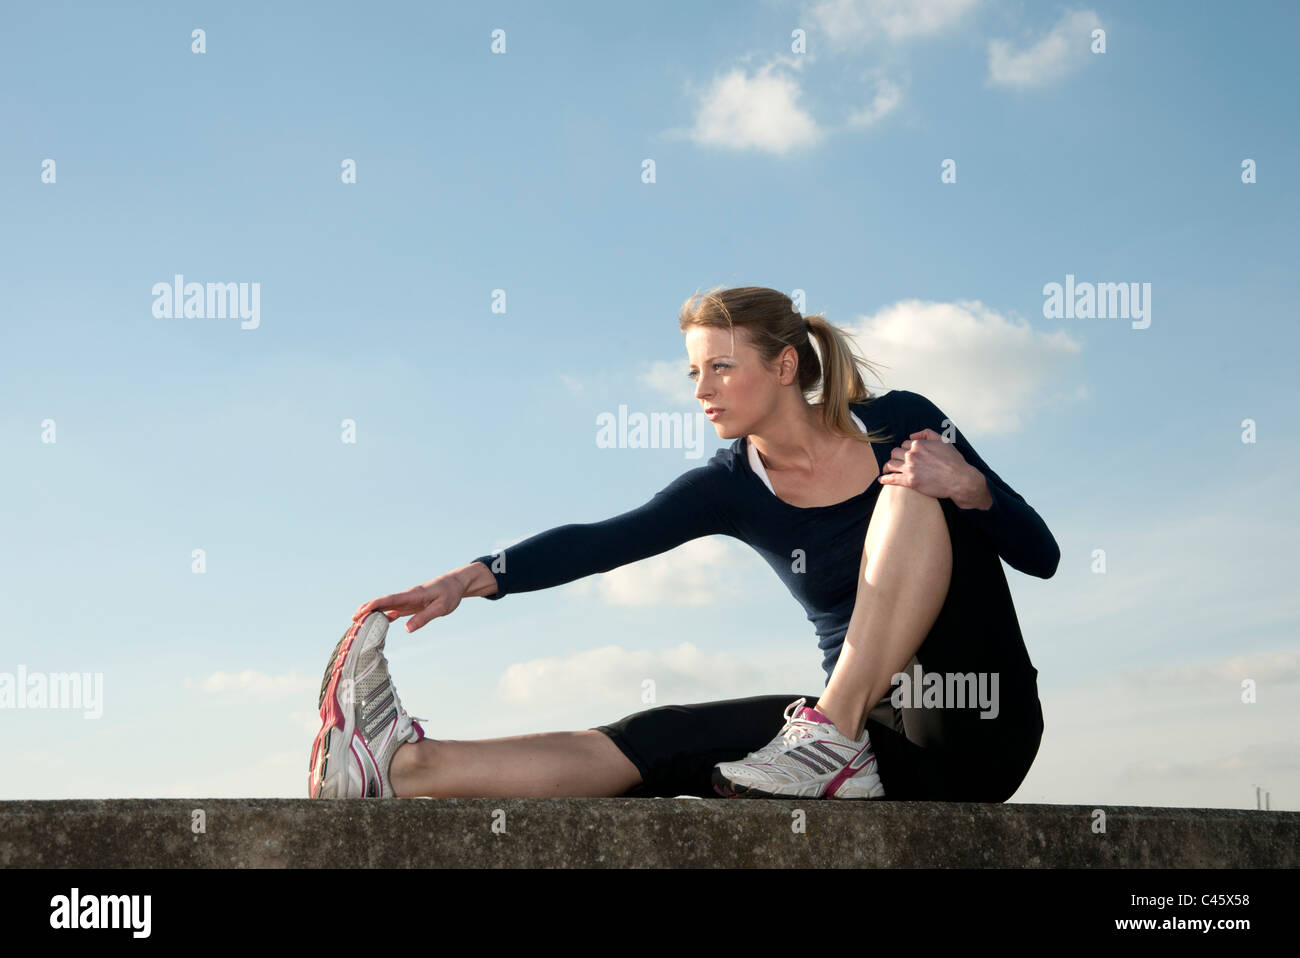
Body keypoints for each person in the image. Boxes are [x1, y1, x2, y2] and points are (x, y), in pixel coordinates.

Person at [308, 286, 1059, 802]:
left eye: (721, 367)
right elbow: (603, 541)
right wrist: (469, 578)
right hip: (874, 746)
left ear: (785, 366)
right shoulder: (729, 485)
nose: (702, 390)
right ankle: (400, 767)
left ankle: (828, 734)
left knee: (912, 487)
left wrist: (970, 487)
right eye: (694, 372)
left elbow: (1043, 556)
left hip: (978, 719)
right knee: (661, 737)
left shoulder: (906, 421)